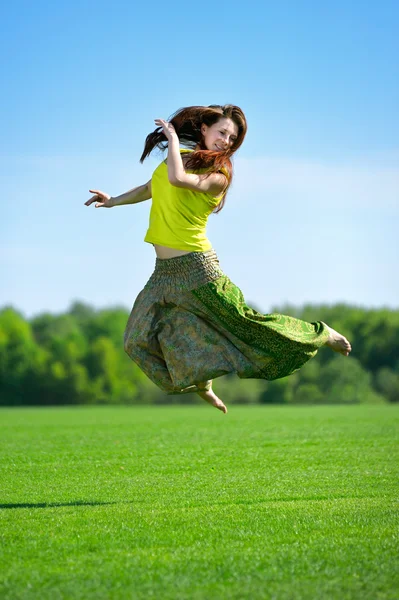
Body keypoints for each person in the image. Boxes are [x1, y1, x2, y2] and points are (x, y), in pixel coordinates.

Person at [85, 104, 351, 414]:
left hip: (198, 270)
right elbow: (150, 187)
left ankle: (321, 334)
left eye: (232, 138)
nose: (226, 141)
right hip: (163, 274)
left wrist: (171, 141)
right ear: (204, 130)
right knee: (136, 340)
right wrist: (113, 201)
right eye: (222, 132)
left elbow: (178, 179)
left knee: (247, 325)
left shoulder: (219, 174)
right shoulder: (181, 158)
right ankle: (201, 380)